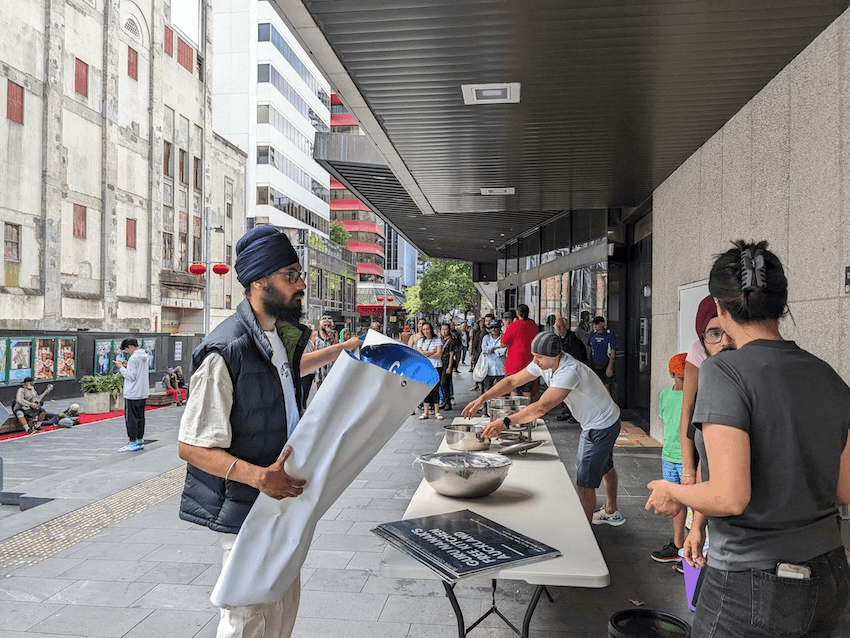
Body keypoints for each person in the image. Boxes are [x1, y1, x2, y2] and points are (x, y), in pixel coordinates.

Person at [646, 240, 850, 638]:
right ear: (782, 304)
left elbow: (729, 496)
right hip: (828, 573)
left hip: (752, 582)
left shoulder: (725, 371)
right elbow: (844, 489)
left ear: (720, 309)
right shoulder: (829, 376)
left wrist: (674, 490)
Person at [177, 226, 361, 638]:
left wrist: (340, 350)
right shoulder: (225, 351)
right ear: (260, 280)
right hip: (249, 510)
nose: (301, 285)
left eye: (299, 275)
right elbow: (191, 446)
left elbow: (282, 374)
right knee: (246, 621)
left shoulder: (278, 335)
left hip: (281, 503)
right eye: (291, 275)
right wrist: (263, 478)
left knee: (281, 612)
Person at [463, 331, 623, 525]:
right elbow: (513, 381)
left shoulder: (569, 371)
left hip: (600, 426)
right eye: (534, 355)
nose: (535, 361)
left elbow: (541, 407)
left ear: (555, 355)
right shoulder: (545, 363)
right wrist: (482, 399)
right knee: (605, 465)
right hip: (607, 417)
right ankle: (611, 511)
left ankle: (584, 533)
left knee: (585, 482)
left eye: (538, 357)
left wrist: (504, 423)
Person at [650, 353, 687, 564]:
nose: (685, 382)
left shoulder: (697, 394)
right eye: (681, 378)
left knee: (696, 505)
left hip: (687, 458)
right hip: (669, 455)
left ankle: (696, 549)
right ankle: (678, 544)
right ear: (672, 374)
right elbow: (665, 418)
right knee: (675, 503)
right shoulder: (665, 394)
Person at [115, 338, 150, 452]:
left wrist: (121, 368)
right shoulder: (144, 356)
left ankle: (132, 441)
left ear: (130, 346)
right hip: (142, 392)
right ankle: (140, 440)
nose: (127, 352)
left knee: (131, 418)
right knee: (140, 417)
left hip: (132, 393)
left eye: (126, 349)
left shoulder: (134, 358)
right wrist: (127, 364)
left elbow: (131, 376)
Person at [500, 304, 538, 399]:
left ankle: (516, 412)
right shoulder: (534, 326)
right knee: (527, 390)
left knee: (514, 388)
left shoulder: (513, 326)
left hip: (514, 363)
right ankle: (528, 412)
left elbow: (503, 343)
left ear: (517, 313)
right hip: (530, 361)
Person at [416, 321, 444, 420]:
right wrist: (432, 352)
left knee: (435, 388)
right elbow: (419, 354)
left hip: (436, 366)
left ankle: (436, 411)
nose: (426, 331)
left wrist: (425, 353)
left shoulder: (437, 340)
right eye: (424, 329)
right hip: (425, 367)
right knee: (425, 389)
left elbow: (439, 354)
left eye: (427, 329)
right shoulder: (420, 341)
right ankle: (425, 411)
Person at [479, 319, 507, 416]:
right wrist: (496, 348)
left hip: (500, 368)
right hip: (489, 368)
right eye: (491, 328)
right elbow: (484, 350)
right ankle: (485, 410)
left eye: (496, 327)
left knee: (500, 391)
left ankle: (499, 411)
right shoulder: (486, 338)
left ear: (499, 328)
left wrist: (493, 349)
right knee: (487, 390)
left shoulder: (503, 338)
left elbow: (503, 351)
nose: (494, 329)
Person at [588, 316, 617, 394]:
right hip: (594, 365)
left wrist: (610, 367)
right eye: (594, 324)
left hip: (605, 365)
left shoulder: (609, 335)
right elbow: (588, 349)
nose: (594, 326)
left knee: (606, 386)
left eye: (596, 324)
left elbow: (612, 351)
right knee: (594, 385)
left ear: (602, 324)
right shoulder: (591, 334)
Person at [313, 316, 338, 390]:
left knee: (330, 387)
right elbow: (312, 349)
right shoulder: (315, 334)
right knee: (320, 388)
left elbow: (336, 348)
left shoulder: (334, 333)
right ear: (320, 325)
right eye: (325, 325)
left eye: (329, 325)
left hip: (330, 364)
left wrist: (332, 338)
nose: (327, 327)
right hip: (320, 365)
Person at [438, 323, 456, 410]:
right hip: (441, 364)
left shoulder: (451, 341)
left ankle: (448, 402)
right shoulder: (441, 340)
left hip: (447, 364)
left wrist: (449, 366)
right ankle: (445, 401)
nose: (444, 331)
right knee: (442, 384)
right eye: (442, 329)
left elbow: (451, 355)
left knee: (445, 383)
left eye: (446, 329)